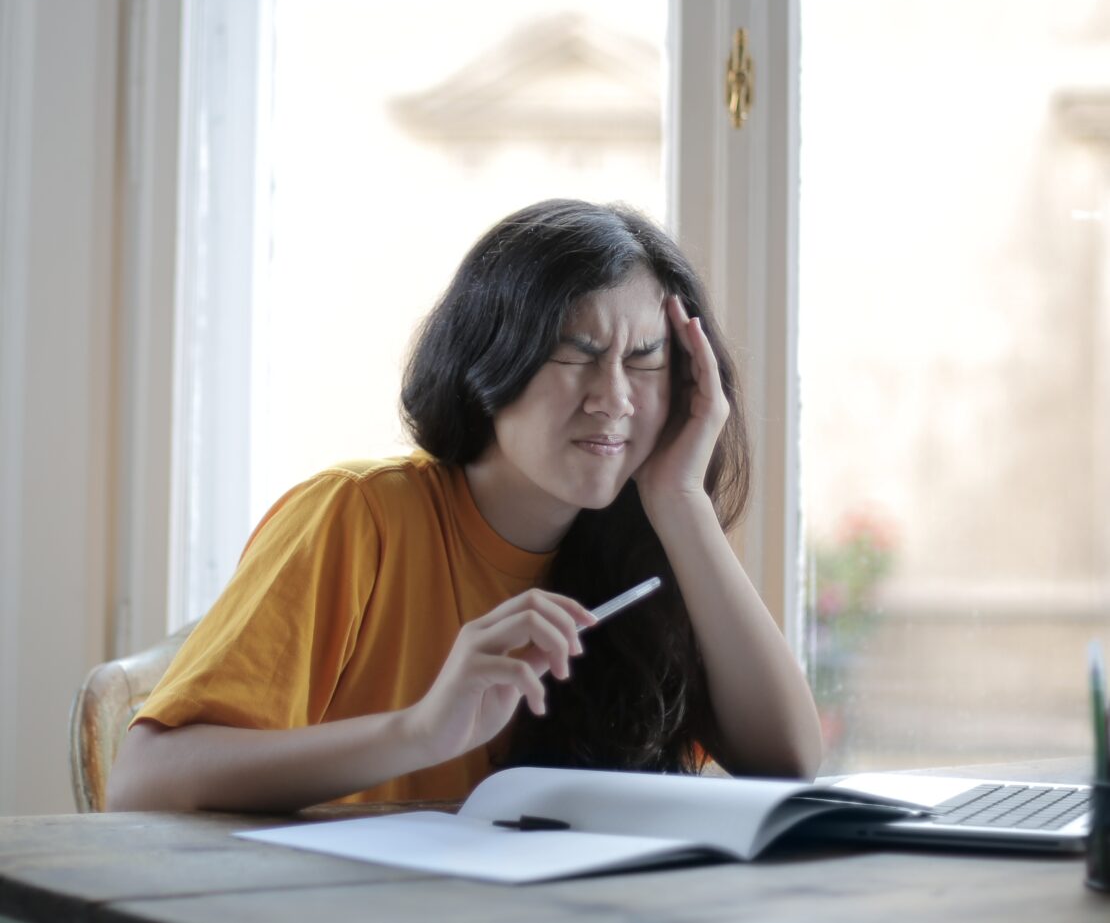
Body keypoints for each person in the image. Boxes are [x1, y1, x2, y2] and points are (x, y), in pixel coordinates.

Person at [107, 198, 821, 813]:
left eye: (645, 359)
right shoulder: (357, 516)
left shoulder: (646, 545)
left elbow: (787, 759)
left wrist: (681, 497)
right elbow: (142, 782)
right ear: (492, 358)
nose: (615, 397)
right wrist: (419, 731)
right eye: (577, 352)